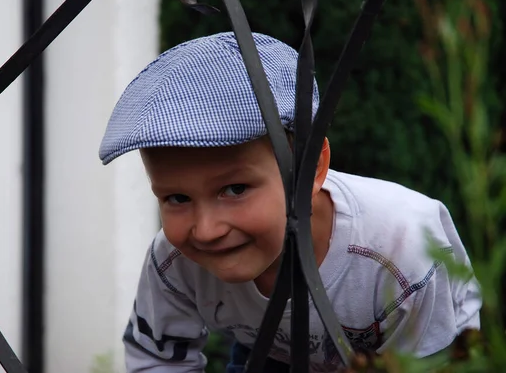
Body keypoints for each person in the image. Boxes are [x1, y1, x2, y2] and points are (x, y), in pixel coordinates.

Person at [98, 32, 481, 373]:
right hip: (271, 354)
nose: (207, 230)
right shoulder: (174, 261)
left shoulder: (402, 250)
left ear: (313, 169)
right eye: (177, 197)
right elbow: (158, 359)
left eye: (234, 190)